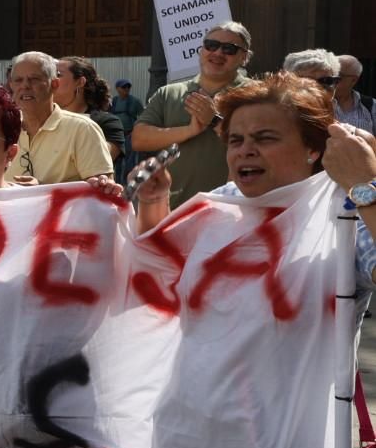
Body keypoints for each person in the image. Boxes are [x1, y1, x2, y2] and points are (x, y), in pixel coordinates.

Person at [136, 73, 376, 297]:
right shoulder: (225, 199)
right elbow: (159, 260)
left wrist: (363, 183)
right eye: (235, 140)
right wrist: (153, 201)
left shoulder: (347, 215)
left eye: (265, 138)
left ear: (312, 149)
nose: (245, 151)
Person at [131, 19, 252, 208]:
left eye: (229, 49)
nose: (218, 53)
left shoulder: (258, 95)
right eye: (211, 45)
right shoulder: (169, 93)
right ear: (201, 50)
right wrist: (189, 130)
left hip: (231, 209)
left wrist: (215, 122)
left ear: (244, 57)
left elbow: (261, 146)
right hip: (173, 209)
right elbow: (139, 139)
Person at [4, 51, 114, 185]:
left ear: (54, 84)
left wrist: (44, 190)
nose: (25, 86)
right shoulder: (2, 127)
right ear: (11, 85)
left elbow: (102, 194)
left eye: (34, 79)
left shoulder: (82, 129)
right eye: (18, 80)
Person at [56, 57, 125, 163]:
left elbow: (99, 161)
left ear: (80, 82)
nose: (50, 80)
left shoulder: (106, 122)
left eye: (58, 75)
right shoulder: (41, 120)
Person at [110, 79, 144, 183]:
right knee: (117, 161)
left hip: (129, 135)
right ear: (117, 89)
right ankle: (118, 182)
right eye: (124, 87)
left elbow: (143, 116)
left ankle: (129, 183)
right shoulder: (113, 102)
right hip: (116, 137)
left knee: (130, 161)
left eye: (128, 87)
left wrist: (137, 130)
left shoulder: (135, 101)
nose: (126, 89)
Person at [334, 55, 375, 133]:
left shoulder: (371, 105)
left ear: (354, 80)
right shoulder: (317, 104)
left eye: (338, 75)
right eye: (330, 73)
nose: (331, 79)